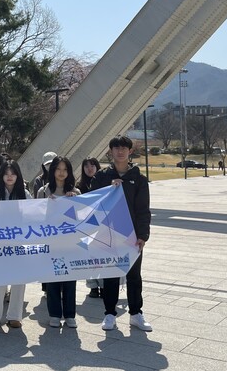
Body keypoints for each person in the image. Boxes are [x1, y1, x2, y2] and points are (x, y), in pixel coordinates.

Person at [91, 135, 152, 332]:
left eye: (124, 148)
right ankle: (110, 314)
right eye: (116, 148)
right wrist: (109, 188)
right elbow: (93, 203)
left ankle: (136, 314)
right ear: (110, 151)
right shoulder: (101, 177)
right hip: (109, 234)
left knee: (134, 275)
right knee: (110, 274)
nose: (120, 151)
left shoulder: (139, 179)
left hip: (132, 235)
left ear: (130, 151)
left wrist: (142, 235)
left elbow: (143, 210)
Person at [0, 160, 32, 329]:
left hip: (19, 242)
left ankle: (15, 316)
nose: (10, 177)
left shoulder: (25, 194)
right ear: (1, 176)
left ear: (18, 175)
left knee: (19, 280)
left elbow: (32, 215)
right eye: (6, 174)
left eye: (13, 173)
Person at [39, 156, 80, 328]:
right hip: (51, 243)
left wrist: (73, 202)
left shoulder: (75, 193)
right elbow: (37, 216)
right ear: (52, 171)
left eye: (65, 169)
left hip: (70, 243)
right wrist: (47, 205)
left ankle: (70, 314)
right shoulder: (43, 191)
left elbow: (81, 218)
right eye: (58, 169)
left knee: (70, 279)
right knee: (52, 280)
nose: (61, 173)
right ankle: (55, 314)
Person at [76, 157, 104, 299]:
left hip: (102, 226)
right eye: (86, 166)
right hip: (85, 227)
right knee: (88, 257)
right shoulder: (79, 187)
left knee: (102, 256)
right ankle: (93, 286)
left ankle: (104, 285)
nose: (89, 168)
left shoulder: (105, 183)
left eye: (92, 165)